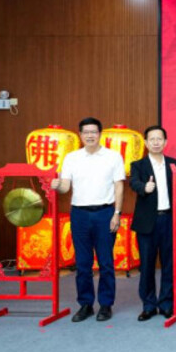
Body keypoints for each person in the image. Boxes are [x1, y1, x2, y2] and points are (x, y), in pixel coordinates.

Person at [52, 117, 125, 322]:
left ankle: (106, 305)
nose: (90, 135)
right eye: (86, 132)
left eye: (94, 132)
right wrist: (57, 185)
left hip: (105, 213)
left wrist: (117, 213)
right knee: (83, 263)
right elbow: (66, 187)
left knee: (106, 262)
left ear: (100, 134)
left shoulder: (113, 157)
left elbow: (119, 186)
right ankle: (85, 304)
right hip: (80, 214)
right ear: (80, 135)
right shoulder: (71, 158)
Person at [129, 125, 176, 322]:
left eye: (159, 139)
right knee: (146, 265)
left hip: (169, 219)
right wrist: (144, 187)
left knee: (169, 264)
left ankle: (166, 304)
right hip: (147, 222)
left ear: (165, 142)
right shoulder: (138, 165)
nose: (156, 142)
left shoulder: (174, 164)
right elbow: (133, 183)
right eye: (152, 139)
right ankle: (148, 306)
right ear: (146, 143)